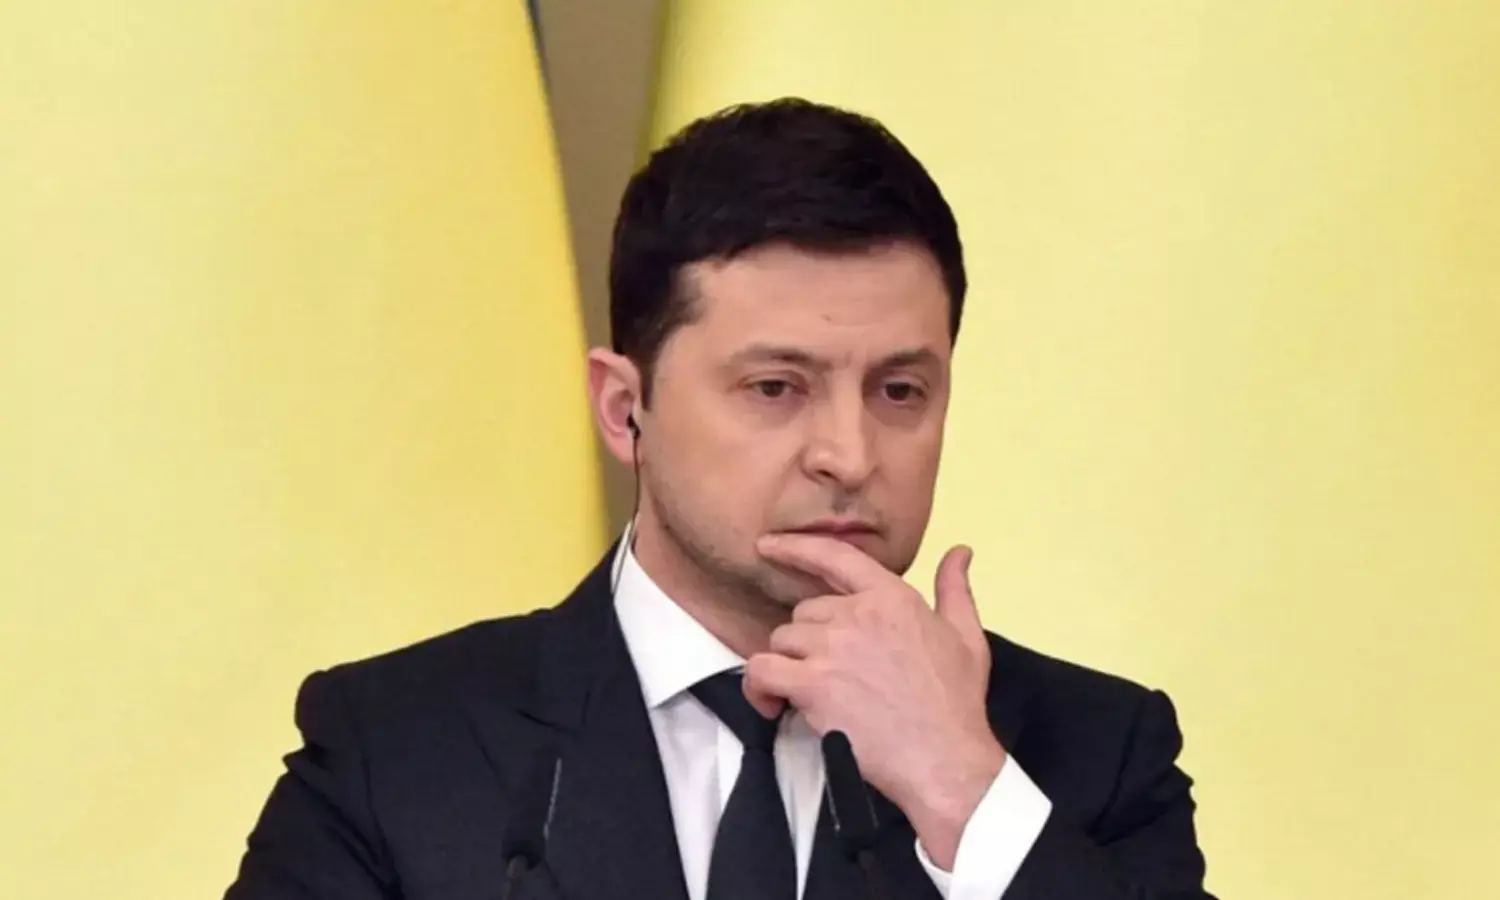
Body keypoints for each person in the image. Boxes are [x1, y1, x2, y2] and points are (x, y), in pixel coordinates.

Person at [224, 98, 1215, 900]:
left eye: (900, 391)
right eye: (776, 388)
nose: (848, 455)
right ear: (625, 409)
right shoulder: (400, 748)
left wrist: (961, 784)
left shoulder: (1093, 752)